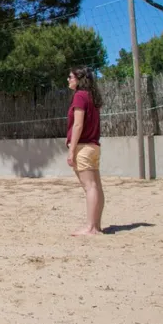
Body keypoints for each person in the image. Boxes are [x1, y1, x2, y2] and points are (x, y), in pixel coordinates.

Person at [66, 67, 105, 236]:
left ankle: (91, 228)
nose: (68, 80)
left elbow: (78, 124)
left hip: (84, 147)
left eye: (70, 77)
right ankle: (96, 225)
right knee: (96, 186)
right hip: (93, 147)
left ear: (79, 79)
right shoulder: (91, 97)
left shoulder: (80, 96)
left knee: (90, 187)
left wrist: (71, 150)